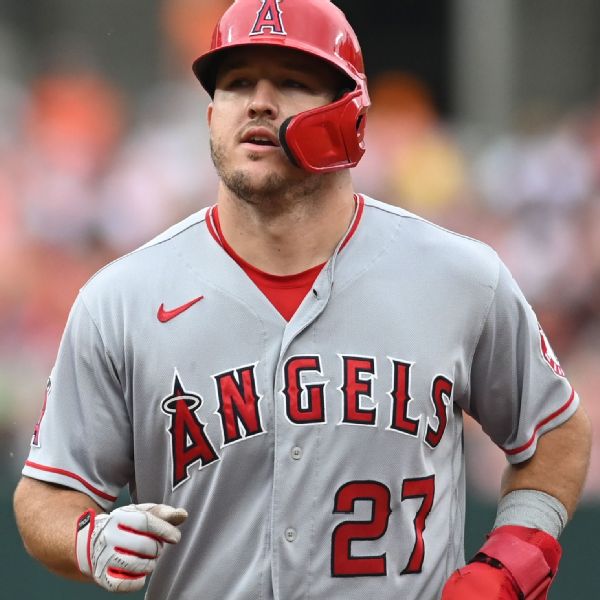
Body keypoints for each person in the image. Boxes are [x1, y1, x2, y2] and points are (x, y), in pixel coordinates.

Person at [13, 1, 591, 598]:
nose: (259, 102)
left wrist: (512, 563)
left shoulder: (460, 276)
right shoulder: (121, 299)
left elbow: (557, 433)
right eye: (237, 84)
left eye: (292, 81)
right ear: (212, 117)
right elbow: (47, 494)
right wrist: (88, 538)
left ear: (352, 117)